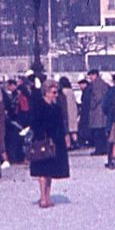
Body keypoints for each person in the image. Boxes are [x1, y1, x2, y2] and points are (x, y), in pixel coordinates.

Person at [29, 78, 71, 208]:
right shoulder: (39, 106)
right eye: (53, 92)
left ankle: (48, 196)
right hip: (42, 140)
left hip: (56, 140)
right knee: (42, 170)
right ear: (46, 92)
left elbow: (61, 123)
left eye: (56, 92)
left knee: (50, 171)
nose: (55, 95)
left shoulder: (56, 107)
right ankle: (43, 197)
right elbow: (34, 123)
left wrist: (66, 135)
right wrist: (43, 135)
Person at [84, 69, 112, 155]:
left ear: (95, 75)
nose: (90, 78)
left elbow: (97, 97)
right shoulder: (103, 83)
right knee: (102, 132)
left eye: (91, 76)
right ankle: (104, 149)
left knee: (97, 133)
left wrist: (91, 105)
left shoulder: (96, 84)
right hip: (103, 111)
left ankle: (99, 149)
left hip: (97, 111)